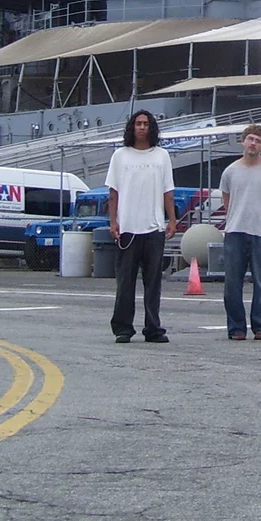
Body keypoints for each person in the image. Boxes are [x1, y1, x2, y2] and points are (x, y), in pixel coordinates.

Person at [106, 109, 176, 344]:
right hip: (128, 228)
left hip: (154, 228)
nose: (142, 127)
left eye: (146, 124)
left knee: (153, 283)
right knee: (125, 282)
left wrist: (172, 220)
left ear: (151, 127)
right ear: (132, 127)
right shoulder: (120, 156)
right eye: (138, 123)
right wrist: (113, 221)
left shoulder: (162, 156)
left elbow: (168, 191)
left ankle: (153, 328)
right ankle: (123, 328)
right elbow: (113, 192)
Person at [219, 123, 261, 341]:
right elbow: (227, 199)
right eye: (250, 139)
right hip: (235, 232)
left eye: (258, 141)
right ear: (243, 142)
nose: (253, 144)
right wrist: (235, 216)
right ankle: (236, 328)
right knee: (232, 283)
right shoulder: (230, 171)